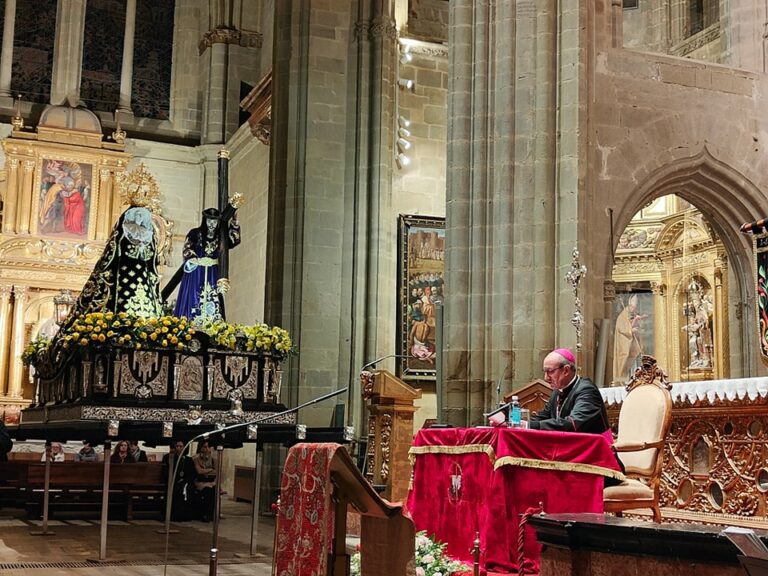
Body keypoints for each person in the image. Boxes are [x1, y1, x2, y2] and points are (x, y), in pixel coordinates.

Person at [174, 208, 241, 323]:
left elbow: (233, 240)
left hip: (213, 273)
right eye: (209, 221)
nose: (211, 224)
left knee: (213, 296)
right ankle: (192, 320)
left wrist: (234, 223)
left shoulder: (220, 237)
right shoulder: (195, 233)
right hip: (197, 271)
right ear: (204, 220)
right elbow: (188, 246)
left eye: (214, 221)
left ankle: (213, 323)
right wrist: (192, 257)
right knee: (194, 295)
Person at [529, 348, 610, 434]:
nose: (546, 378)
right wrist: (522, 423)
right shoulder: (558, 390)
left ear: (566, 370)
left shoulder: (587, 390)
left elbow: (573, 424)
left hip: (594, 445)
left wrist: (535, 425)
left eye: (550, 371)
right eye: (544, 372)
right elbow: (543, 416)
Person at [161, 440, 194, 521]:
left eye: (181, 446)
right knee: (175, 489)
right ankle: (173, 515)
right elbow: (166, 472)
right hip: (173, 481)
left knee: (188, 490)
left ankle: (184, 515)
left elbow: (192, 474)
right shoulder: (170, 458)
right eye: (177, 446)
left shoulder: (189, 460)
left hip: (185, 482)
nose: (179, 448)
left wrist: (185, 480)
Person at [192, 440, 217, 522]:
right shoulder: (196, 458)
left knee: (213, 490)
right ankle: (205, 514)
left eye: (208, 447)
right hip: (200, 482)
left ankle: (210, 514)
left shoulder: (212, 459)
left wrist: (206, 470)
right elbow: (199, 471)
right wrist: (210, 470)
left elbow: (216, 471)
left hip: (210, 482)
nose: (206, 449)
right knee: (208, 491)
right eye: (204, 447)